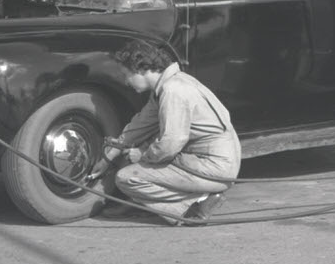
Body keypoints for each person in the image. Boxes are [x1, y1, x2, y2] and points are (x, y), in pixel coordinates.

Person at [101, 40, 241, 224]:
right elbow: (141, 124)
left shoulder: (173, 91)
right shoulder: (171, 83)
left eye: (127, 74)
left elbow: (170, 144)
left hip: (212, 166)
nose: (126, 81)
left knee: (127, 178)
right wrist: (110, 155)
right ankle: (163, 201)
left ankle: (194, 206)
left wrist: (143, 154)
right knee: (147, 138)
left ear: (141, 69)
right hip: (211, 159)